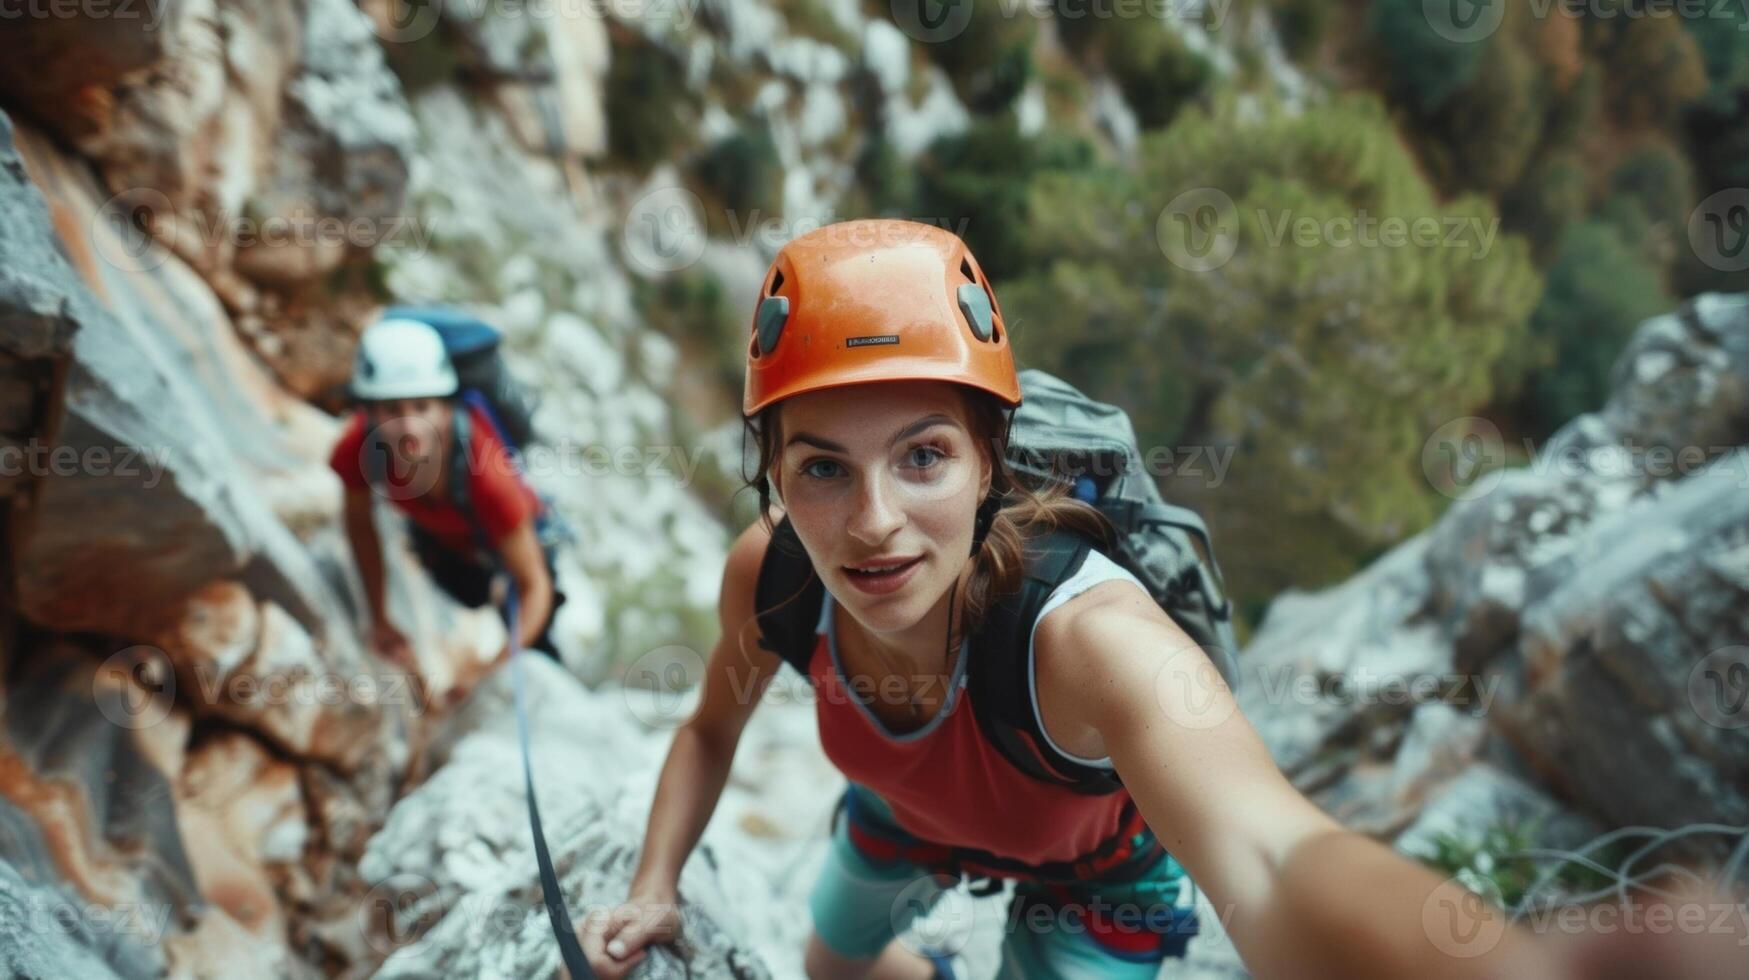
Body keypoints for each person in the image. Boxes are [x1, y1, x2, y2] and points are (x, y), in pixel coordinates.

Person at [571, 220, 1715, 980]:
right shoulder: (767, 573)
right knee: (834, 971)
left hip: (1098, 884)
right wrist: (654, 886)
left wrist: (1514, 965)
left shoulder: (1089, 637)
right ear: (772, 473)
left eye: (922, 455)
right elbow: (710, 725)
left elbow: (1271, 854)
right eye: (821, 467)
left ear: (988, 461)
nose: (871, 522)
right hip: (902, 821)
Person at [330, 314, 563, 672]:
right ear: (371, 412)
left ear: (446, 408)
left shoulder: (487, 474)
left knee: (536, 645)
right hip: (445, 547)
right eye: (393, 410)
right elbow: (360, 528)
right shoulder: (358, 449)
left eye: (422, 407)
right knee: (471, 593)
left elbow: (535, 587)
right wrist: (378, 620)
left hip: (505, 540)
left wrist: (491, 673)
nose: (409, 427)